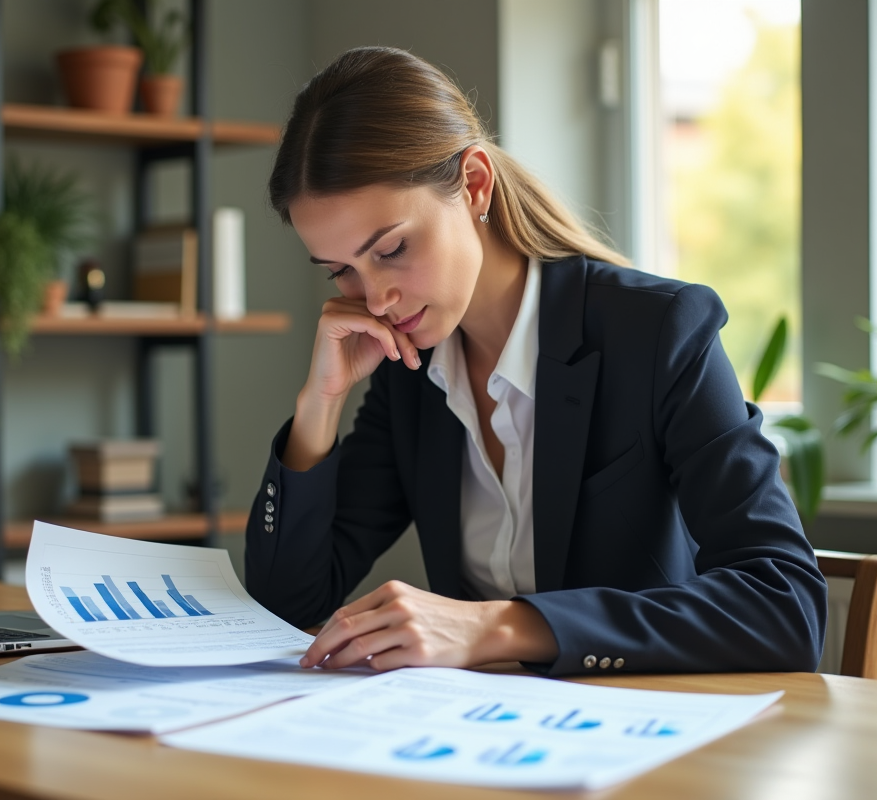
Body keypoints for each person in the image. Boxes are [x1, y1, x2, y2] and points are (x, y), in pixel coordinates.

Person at [244, 46, 826, 676]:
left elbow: (787, 604)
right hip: (482, 723)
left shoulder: (658, 332)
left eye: (392, 250)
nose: (376, 299)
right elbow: (287, 604)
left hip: (647, 719)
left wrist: (497, 625)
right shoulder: (408, 369)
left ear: (474, 184)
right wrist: (319, 404)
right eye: (341, 271)